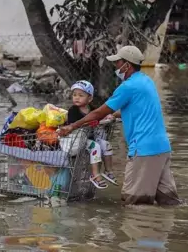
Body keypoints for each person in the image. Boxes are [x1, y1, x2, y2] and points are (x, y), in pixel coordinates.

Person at [58, 45, 179, 205]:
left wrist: (72, 126)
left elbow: (97, 113)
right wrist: (113, 114)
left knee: (134, 203)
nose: (115, 66)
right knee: (169, 202)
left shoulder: (127, 87)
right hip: (162, 148)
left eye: (118, 63)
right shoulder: (146, 81)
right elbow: (135, 109)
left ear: (127, 65)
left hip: (144, 150)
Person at [66, 80, 117, 189]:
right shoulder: (73, 110)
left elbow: (100, 116)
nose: (76, 98)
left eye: (81, 95)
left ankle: (108, 171)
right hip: (79, 140)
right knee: (96, 147)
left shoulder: (93, 110)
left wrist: (107, 117)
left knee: (105, 144)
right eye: (74, 95)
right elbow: (73, 125)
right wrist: (90, 123)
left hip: (91, 137)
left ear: (90, 98)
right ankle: (95, 175)